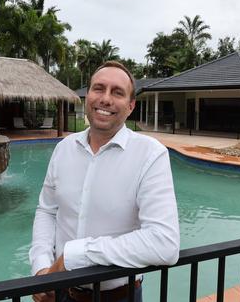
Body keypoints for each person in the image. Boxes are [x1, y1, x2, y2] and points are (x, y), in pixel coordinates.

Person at [29, 61, 180, 302]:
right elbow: (47, 211)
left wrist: (75, 255)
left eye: (117, 92)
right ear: (87, 96)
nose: (105, 99)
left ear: (130, 106)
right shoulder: (63, 149)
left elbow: (164, 242)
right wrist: (41, 269)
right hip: (61, 293)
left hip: (118, 297)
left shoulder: (150, 155)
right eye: (98, 88)